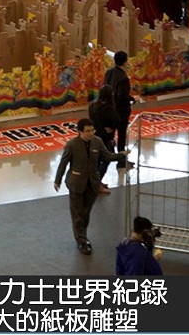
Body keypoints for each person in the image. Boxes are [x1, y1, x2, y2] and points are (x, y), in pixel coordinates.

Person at [54, 118, 129, 255]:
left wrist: (121, 155)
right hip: (76, 184)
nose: (91, 133)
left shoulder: (97, 141)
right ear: (80, 132)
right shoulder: (72, 145)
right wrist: (57, 180)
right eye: (87, 131)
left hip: (93, 184)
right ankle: (82, 241)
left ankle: (82, 236)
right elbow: (63, 163)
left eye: (92, 130)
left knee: (85, 212)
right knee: (77, 214)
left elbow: (107, 156)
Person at [104, 51, 136, 167]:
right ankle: (121, 160)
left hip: (109, 108)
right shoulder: (124, 78)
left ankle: (106, 157)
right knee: (121, 135)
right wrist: (132, 99)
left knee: (109, 134)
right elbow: (122, 96)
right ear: (125, 62)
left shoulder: (109, 72)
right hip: (121, 111)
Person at [88, 84, 120, 193]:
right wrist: (111, 128)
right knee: (107, 159)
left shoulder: (92, 105)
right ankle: (96, 184)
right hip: (105, 137)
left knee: (96, 161)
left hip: (94, 135)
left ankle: (95, 182)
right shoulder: (108, 108)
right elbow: (117, 121)